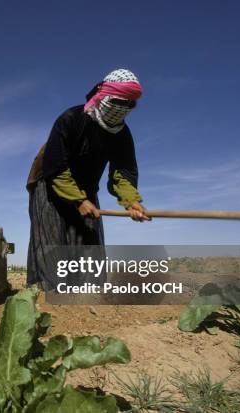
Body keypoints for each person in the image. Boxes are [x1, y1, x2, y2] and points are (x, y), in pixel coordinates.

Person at [26, 69, 150, 289]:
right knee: (52, 236)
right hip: (50, 181)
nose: (123, 109)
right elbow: (56, 166)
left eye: (129, 105)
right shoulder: (71, 119)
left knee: (88, 238)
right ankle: (46, 292)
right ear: (103, 95)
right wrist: (78, 200)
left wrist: (132, 201)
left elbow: (123, 171)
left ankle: (87, 292)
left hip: (87, 187)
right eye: (118, 102)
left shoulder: (122, 135)